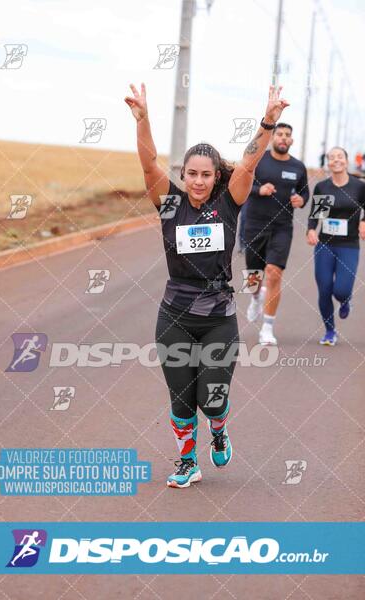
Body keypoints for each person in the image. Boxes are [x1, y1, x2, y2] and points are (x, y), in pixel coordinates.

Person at [125, 82, 289, 488]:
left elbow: (249, 165)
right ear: (183, 175)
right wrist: (144, 120)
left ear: (217, 177)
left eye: (205, 175)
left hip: (218, 318)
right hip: (174, 316)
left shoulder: (228, 203)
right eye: (191, 174)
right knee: (181, 398)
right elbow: (148, 166)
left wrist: (268, 121)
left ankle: (218, 428)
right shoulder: (170, 205)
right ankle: (186, 462)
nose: (197, 182)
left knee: (210, 399)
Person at [244, 122, 309, 345]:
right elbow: (241, 184)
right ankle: (254, 297)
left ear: (291, 140)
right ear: (273, 138)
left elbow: (304, 194)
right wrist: (258, 190)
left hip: (282, 227)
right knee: (252, 275)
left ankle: (268, 328)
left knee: (273, 272)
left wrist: (301, 200)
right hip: (254, 224)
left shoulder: (298, 167)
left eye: (287, 135)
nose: (283, 138)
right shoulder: (259, 160)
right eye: (279, 134)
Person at [307, 146, 365, 345]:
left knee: (340, 290)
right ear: (328, 163)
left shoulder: (358, 186)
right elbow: (316, 214)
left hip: (349, 245)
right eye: (332, 158)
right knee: (324, 290)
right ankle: (330, 331)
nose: (336, 160)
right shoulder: (323, 187)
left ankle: (345, 301)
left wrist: (364, 221)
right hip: (325, 244)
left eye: (340, 156)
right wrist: (312, 230)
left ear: (347, 160)